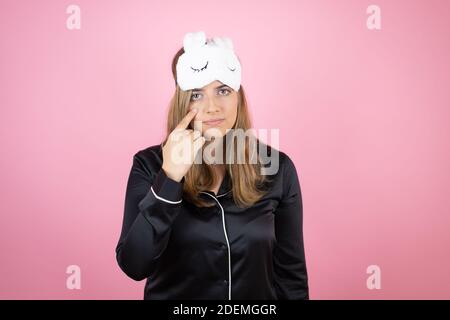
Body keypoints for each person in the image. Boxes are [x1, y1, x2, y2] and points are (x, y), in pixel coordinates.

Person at [115, 31, 309, 300]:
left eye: (223, 90)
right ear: (182, 102)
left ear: (238, 97)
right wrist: (170, 177)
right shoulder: (149, 165)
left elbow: (291, 275)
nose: (212, 107)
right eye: (197, 94)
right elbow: (135, 264)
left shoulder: (277, 167)